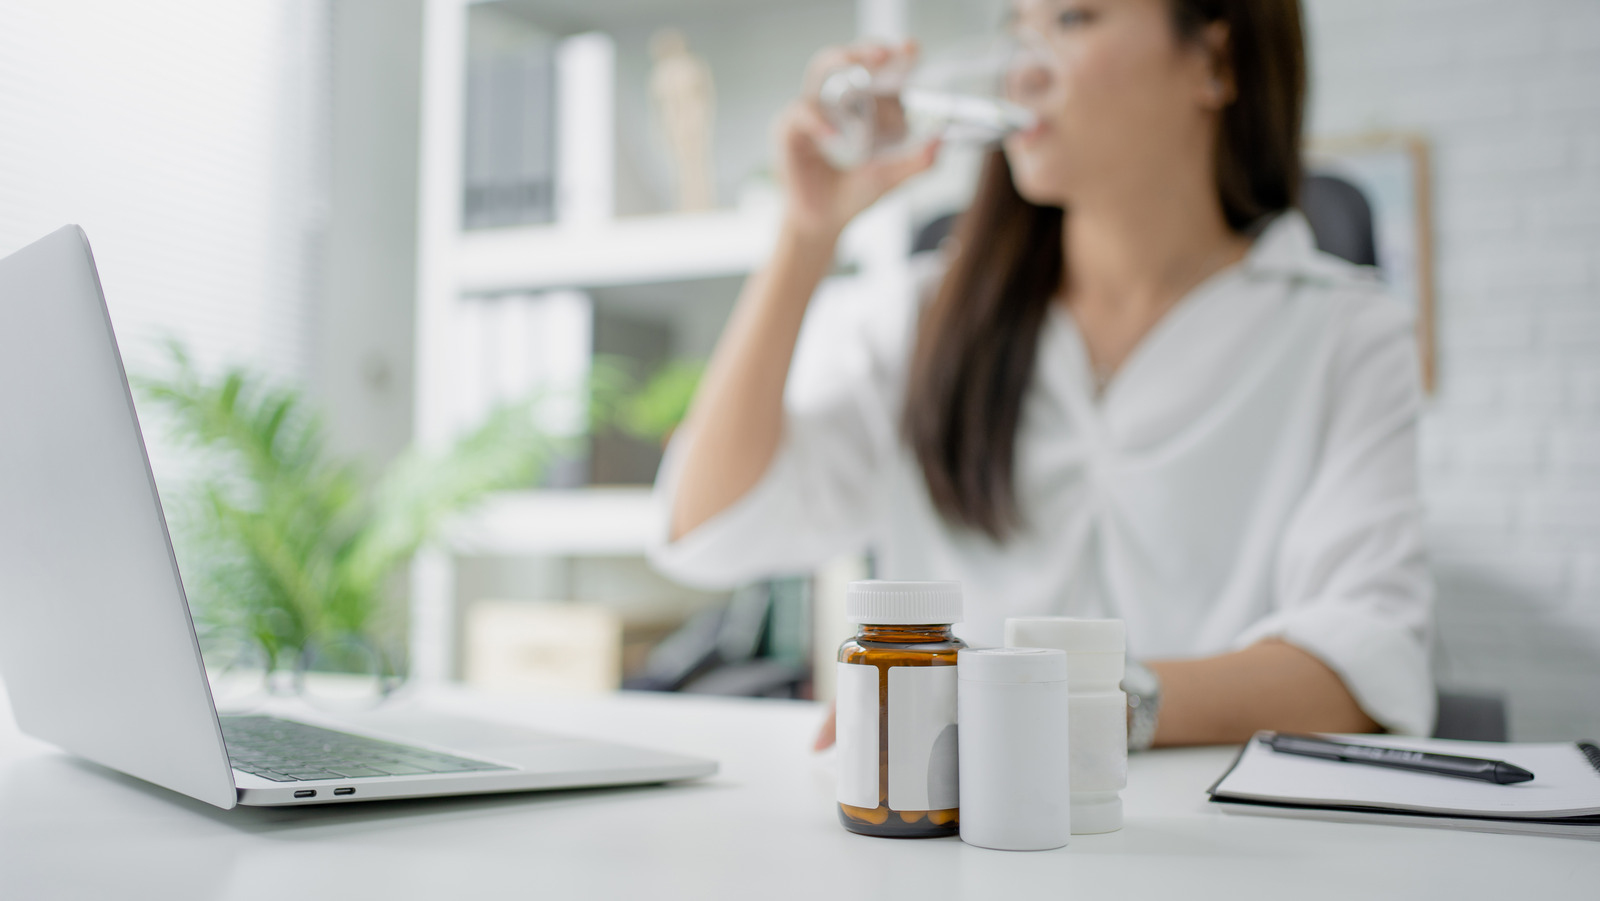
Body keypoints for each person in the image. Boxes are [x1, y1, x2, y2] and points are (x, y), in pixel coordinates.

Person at [648, 0, 1435, 749]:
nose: (1020, 71)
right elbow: (708, 532)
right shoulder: (926, 315)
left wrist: (1079, 702)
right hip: (968, 849)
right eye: (1013, 27)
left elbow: (1364, 667)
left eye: (1069, 18)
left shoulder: (1346, 337)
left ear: (1214, 61)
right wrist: (806, 233)